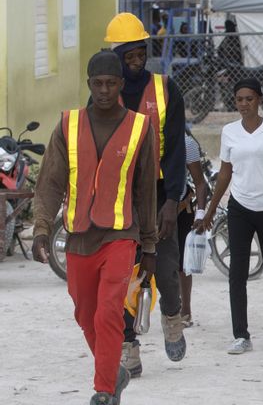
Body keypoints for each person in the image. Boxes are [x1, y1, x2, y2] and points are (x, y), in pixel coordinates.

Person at [31, 50, 157, 405]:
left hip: (120, 235)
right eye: (97, 83)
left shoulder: (139, 127)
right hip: (79, 236)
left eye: (111, 83)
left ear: (121, 84)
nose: (104, 90)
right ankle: (114, 372)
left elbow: (146, 190)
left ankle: (104, 390)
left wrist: (149, 246)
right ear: (88, 83)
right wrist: (42, 228)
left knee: (108, 312)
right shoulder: (68, 125)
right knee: (85, 314)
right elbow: (50, 182)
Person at [104, 12, 187, 377]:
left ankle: (172, 315)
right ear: (116, 57)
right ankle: (128, 347)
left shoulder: (166, 89)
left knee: (166, 269)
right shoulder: (105, 92)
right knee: (121, 274)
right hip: (120, 197)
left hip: (159, 193)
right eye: (129, 56)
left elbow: (177, 149)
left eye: (141, 53)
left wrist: (172, 200)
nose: (137, 61)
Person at [202, 78, 263, 354]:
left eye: (249, 99)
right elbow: (225, 173)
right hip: (240, 208)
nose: (244, 104)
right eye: (239, 99)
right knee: (237, 273)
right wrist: (211, 209)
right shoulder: (229, 131)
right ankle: (241, 334)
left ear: (260, 100)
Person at [178, 129, 209, 327]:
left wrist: (200, 213)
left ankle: (185, 311)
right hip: (150, 208)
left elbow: (200, 182)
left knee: (183, 263)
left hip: (181, 208)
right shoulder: (143, 135)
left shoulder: (186, 143)